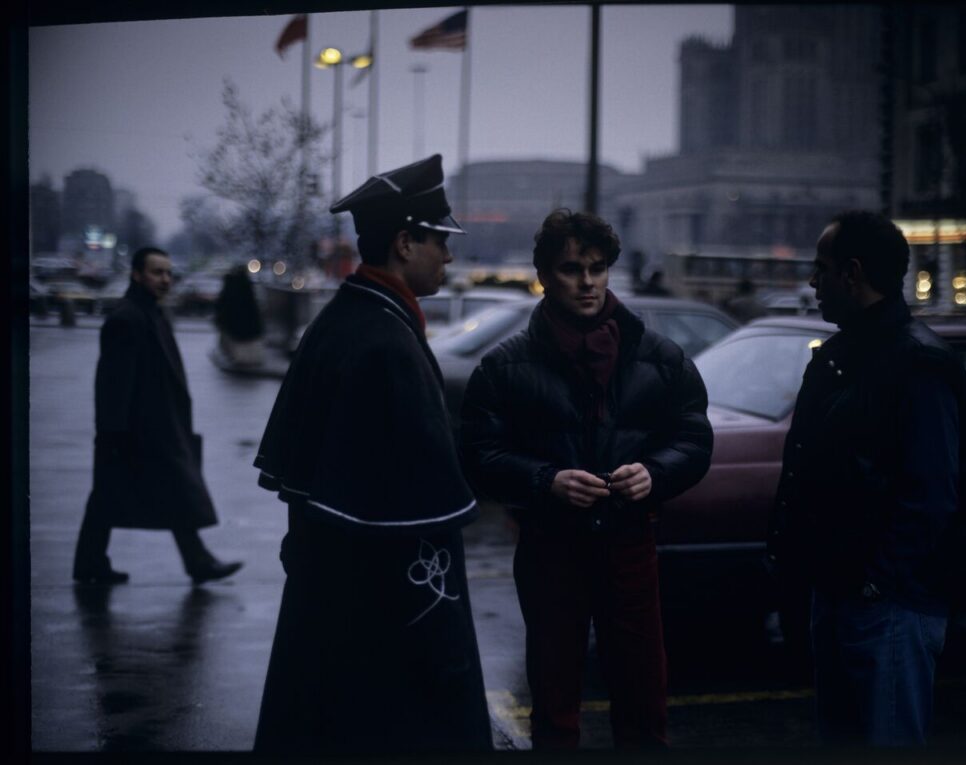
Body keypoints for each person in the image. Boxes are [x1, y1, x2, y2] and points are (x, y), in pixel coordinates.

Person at [252, 155, 492, 754]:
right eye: (440, 241)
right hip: (383, 615)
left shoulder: (347, 319)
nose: (449, 256)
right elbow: (419, 518)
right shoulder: (386, 341)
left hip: (332, 604)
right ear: (405, 243)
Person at [459, 209, 713, 749]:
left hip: (630, 543)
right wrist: (546, 481)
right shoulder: (504, 366)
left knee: (643, 697)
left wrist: (653, 473)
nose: (588, 282)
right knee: (554, 701)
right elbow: (479, 455)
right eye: (572, 269)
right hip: (551, 547)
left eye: (597, 268)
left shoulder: (659, 357)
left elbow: (694, 440)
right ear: (545, 275)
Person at [767, 210, 966, 746]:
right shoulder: (845, 355)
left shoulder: (918, 363)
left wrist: (874, 583)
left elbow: (931, 495)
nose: (812, 282)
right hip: (845, 591)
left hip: (888, 605)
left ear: (853, 273)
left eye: (821, 269)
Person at [72, 247, 244, 585]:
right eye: (157, 272)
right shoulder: (128, 319)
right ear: (137, 275)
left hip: (155, 426)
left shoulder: (149, 313)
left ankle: (95, 563)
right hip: (139, 430)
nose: (165, 279)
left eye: (168, 273)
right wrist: (113, 434)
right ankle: (194, 562)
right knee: (130, 493)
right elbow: (113, 384)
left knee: (145, 493)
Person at [213, 264, 264, 367]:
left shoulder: (230, 285)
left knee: (236, 345)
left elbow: (223, 305)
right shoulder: (246, 286)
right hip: (245, 325)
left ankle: (238, 358)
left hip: (234, 324)